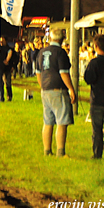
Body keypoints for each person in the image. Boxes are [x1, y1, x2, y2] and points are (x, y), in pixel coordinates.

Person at [35, 28, 76, 158]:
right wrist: (71, 88)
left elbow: (38, 73)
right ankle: (60, 152)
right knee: (61, 121)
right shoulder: (60, 52)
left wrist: (42, 86)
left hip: (45, 89)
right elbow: (63, 72)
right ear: (62, 38)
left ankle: (47, 151)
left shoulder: (41, 52)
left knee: (48, 122)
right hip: (58, 90)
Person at [0, 36, 14, 101]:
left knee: (8, 83)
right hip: (1, 68)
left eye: (2, 41)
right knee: (1, 83)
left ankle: (9, 96)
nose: (1, 42)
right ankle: (1, 96)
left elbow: (13, 58)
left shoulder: (9, 49)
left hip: (7, 68)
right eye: (0, 41)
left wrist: (12, 66)